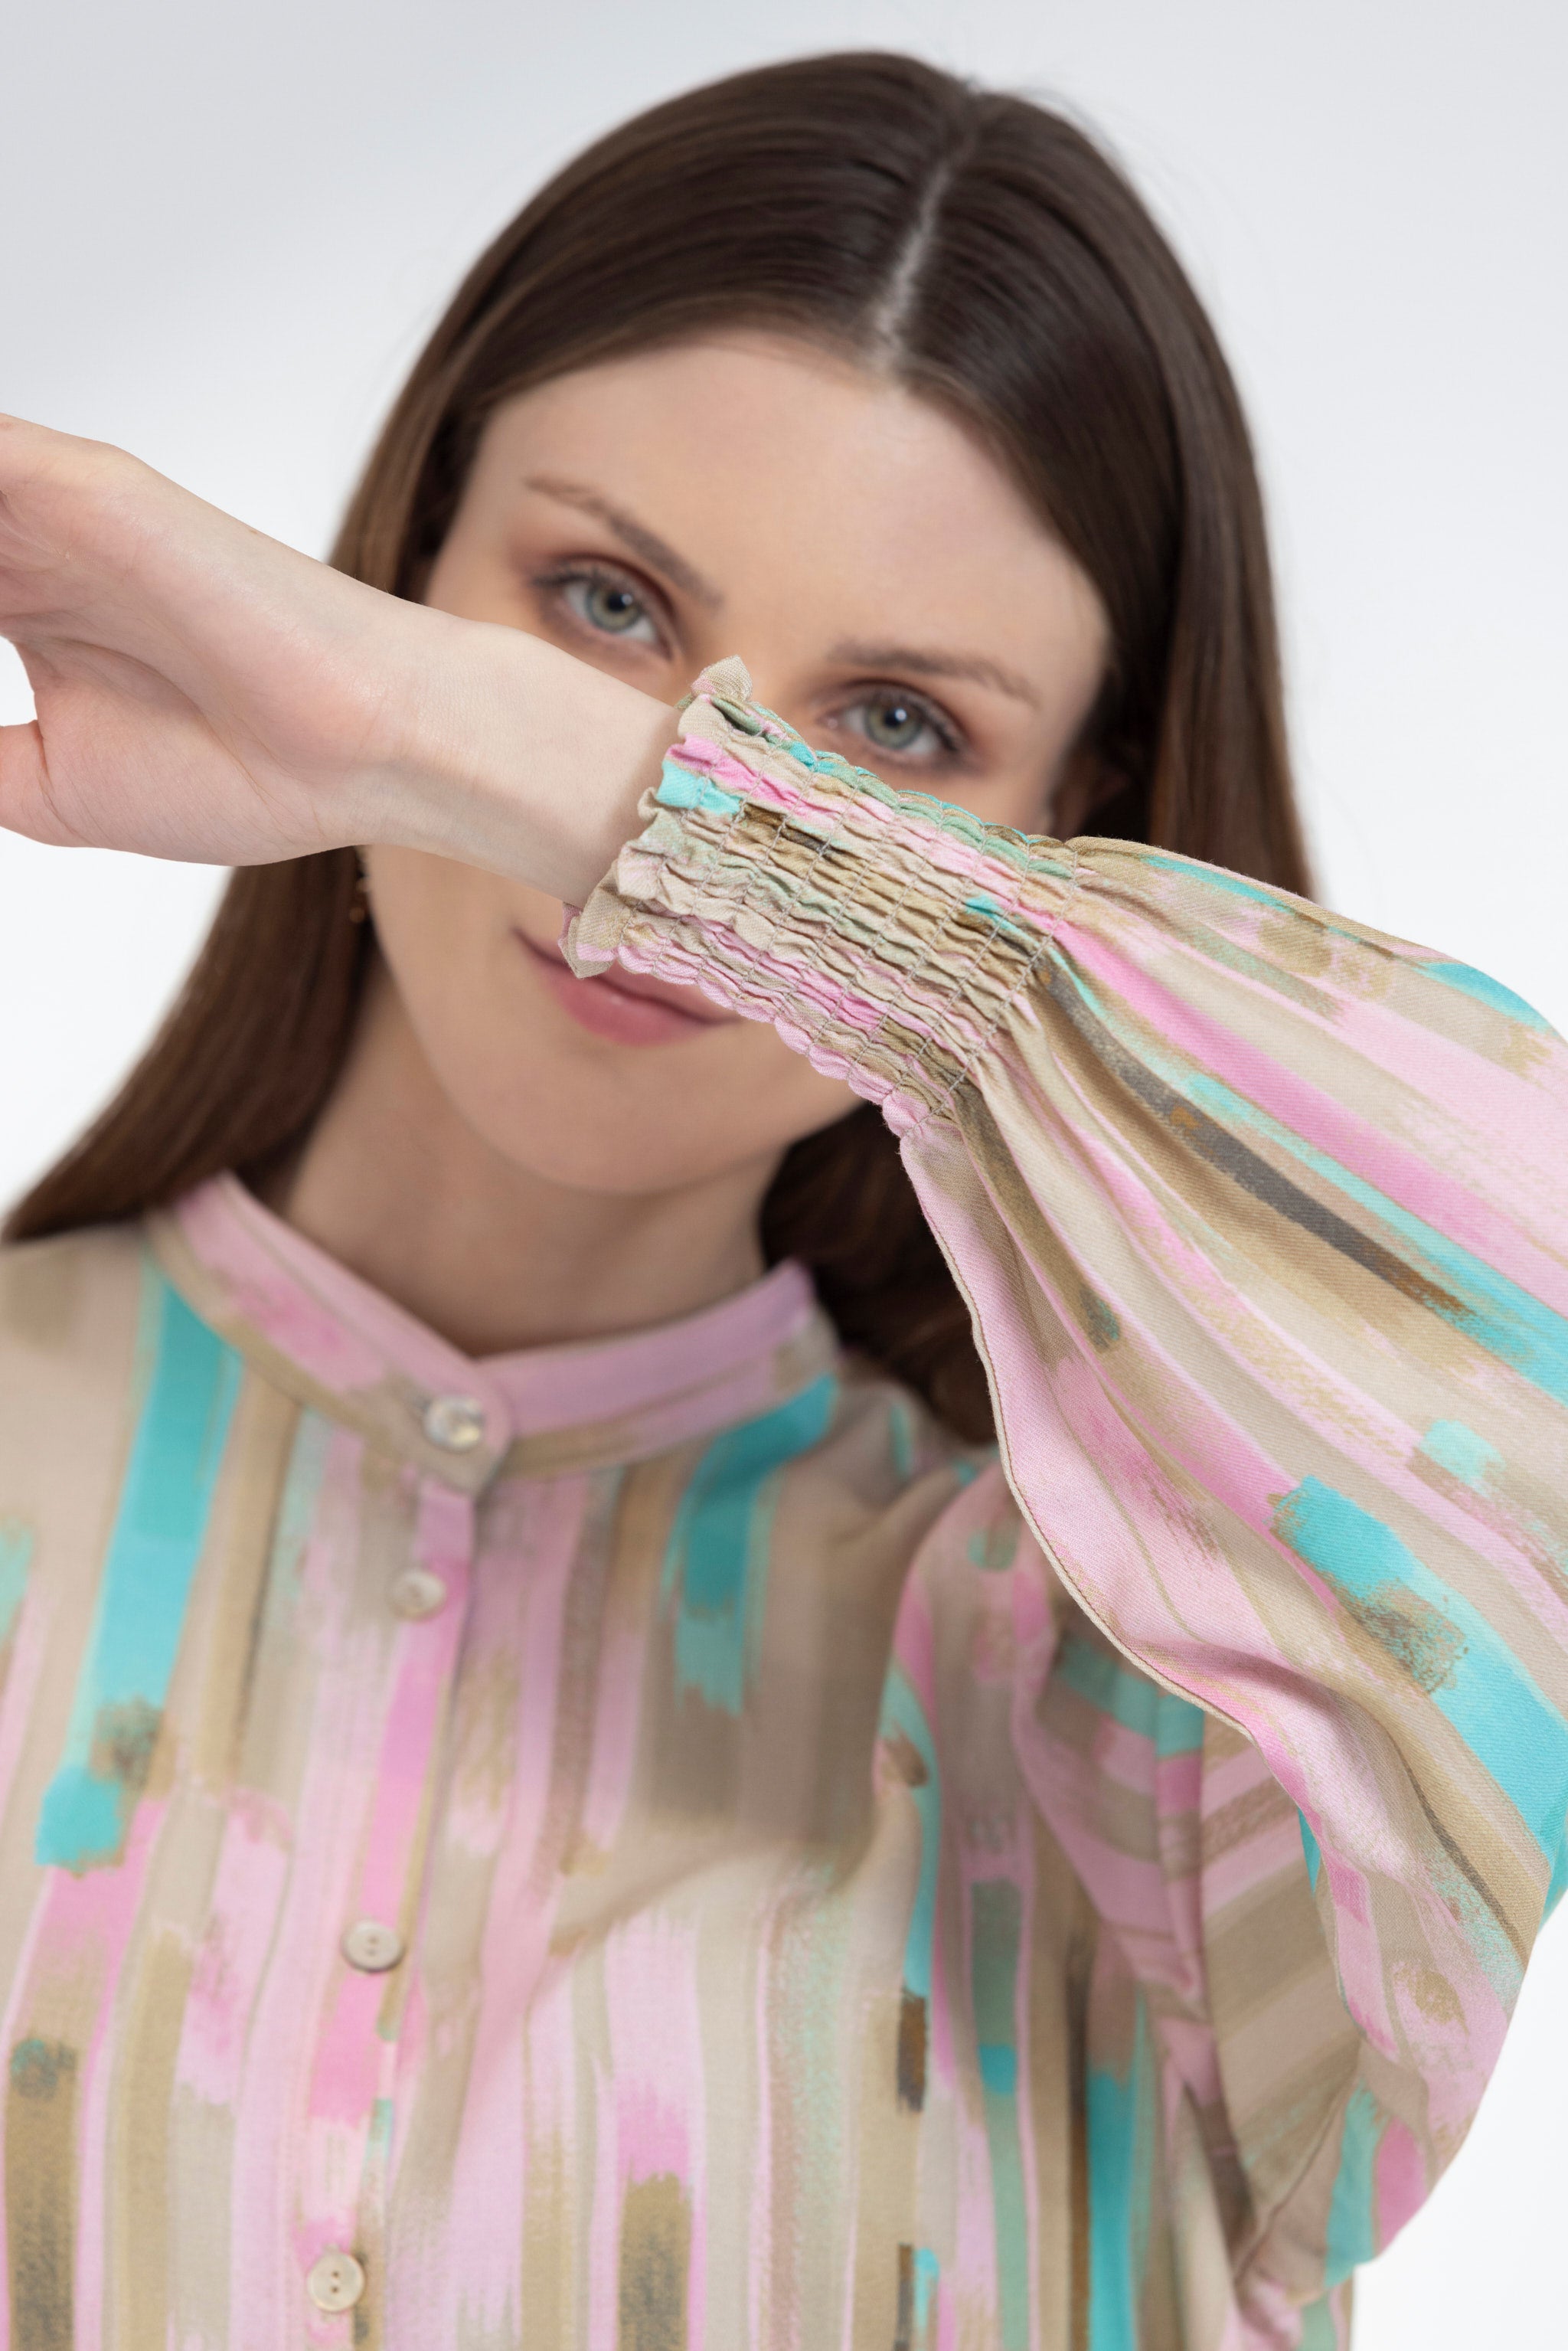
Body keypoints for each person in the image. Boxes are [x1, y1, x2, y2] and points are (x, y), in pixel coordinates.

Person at [0, 48, 1564, 2351]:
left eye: (899, 729)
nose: (654, 856)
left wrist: (478, 743)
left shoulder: (1157, 1730)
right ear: (410, 550)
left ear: (1063, 830)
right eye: (600, 598)